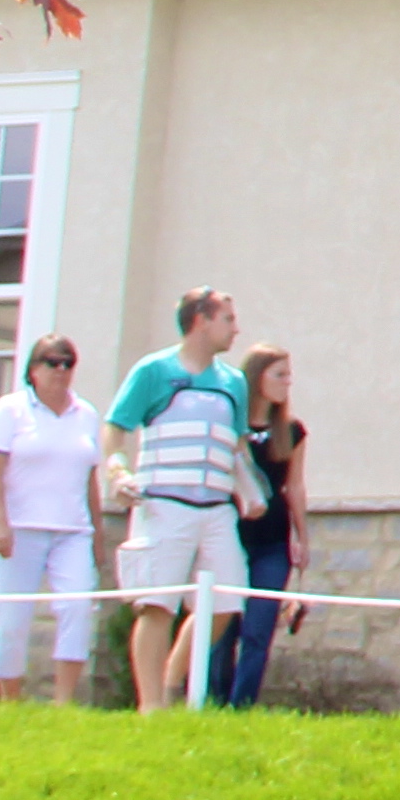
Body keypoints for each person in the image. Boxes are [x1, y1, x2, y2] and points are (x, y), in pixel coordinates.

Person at [104, 287, 258, 715]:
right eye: (228, 319)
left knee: (227, 601)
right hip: (163, 505)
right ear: (201, 321)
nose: (236, 329)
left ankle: (173, 678)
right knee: (157, 605)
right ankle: (151, 705)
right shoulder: (153, 371)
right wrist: (117, 473)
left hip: (216, 508)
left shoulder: (233, 382)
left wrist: (249, 492)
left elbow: (236, 445)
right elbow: (115, 428)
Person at [0, 334, 100, 705]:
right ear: (33, 369)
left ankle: (63, 702)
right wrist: (1, 522)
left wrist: (97, 533)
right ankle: (10, 701)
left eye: (68, 363)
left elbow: (90, 479)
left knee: (77, 607)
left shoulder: (86, 414)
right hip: (20, 528)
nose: (60, 370)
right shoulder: (10, 410)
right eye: (52, 362)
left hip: (72, 530)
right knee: (12, 618)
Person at [200, 342, 308, 708]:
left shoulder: (291, 431)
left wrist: (302, 536)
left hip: (272, 542)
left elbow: (295, 486)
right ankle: (213, 703)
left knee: (258, 628)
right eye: (279, 374)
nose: (287, 382)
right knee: (223, 625)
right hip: (230, 535)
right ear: (257, 377)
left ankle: (242, 705)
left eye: (288, 375)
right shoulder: (230, 427)